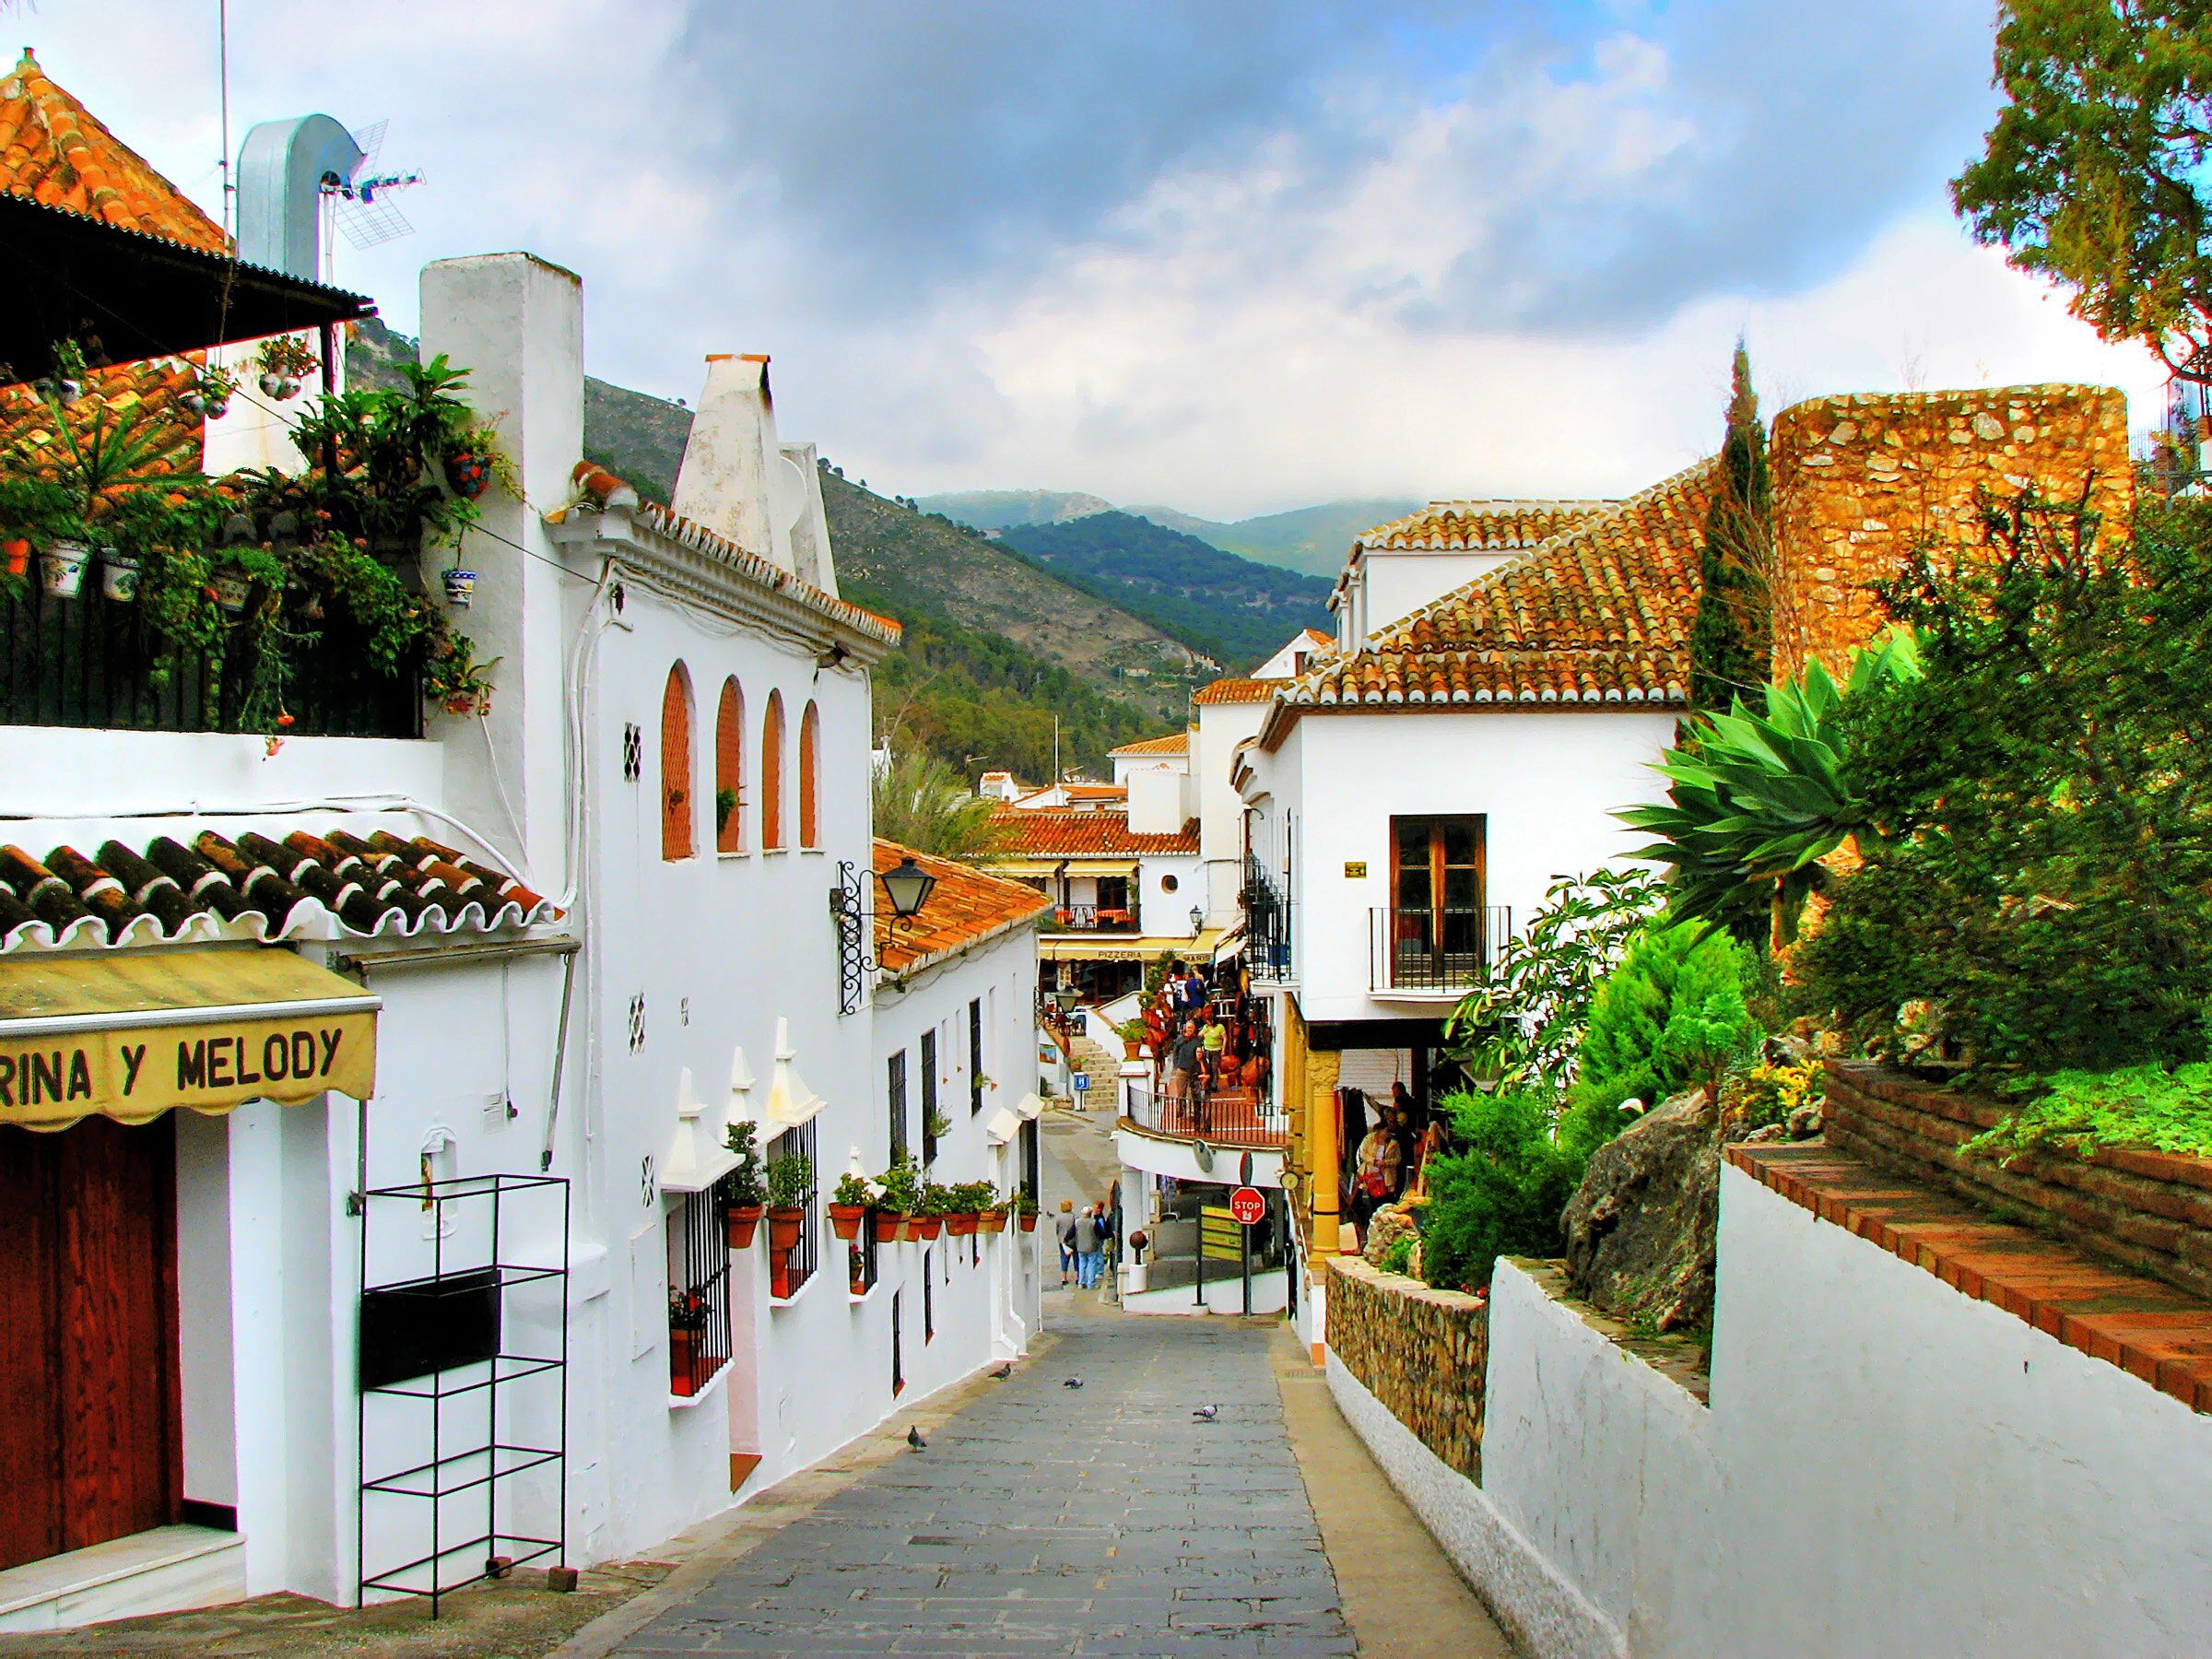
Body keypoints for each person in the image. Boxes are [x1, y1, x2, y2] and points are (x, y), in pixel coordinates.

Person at [1169, 1020, 1202, 1133]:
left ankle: (1193, 1113)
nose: (1190, 1030)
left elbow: (1200, 1054)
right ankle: (1180, 1111)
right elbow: (1175, 1052)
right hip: (1182, 1070)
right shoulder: (1180, 1039)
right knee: (1181, 1093)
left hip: (1193, 1071)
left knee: (1192, 1093)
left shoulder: (1197, 1041)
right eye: (1188, 1027)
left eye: (1192, 1028)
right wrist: (1177, 1064)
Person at [1075, 1205, 1105, 1288]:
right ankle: (1090, 1284)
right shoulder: (1094, 1222)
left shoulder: (1077, 1222)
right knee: (1092, 1264)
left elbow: (1071, 1232)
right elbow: (1101, 1233)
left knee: (1082, 1264)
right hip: (1092, 1246)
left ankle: (1081, 1282)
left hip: (1080, 1246)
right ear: (1090, 1213)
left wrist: (1066, 1239)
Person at [1054, 1199, 1078, 1287]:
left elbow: (1057, 1229)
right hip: (1074, 1241)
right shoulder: (1075, 1217)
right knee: (1076, 1258)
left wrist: (1060, 1237)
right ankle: (1077, 1277)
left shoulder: (1059, 1218)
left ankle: (1064, 1277)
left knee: (1064, 1258)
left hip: (1063, 1241)